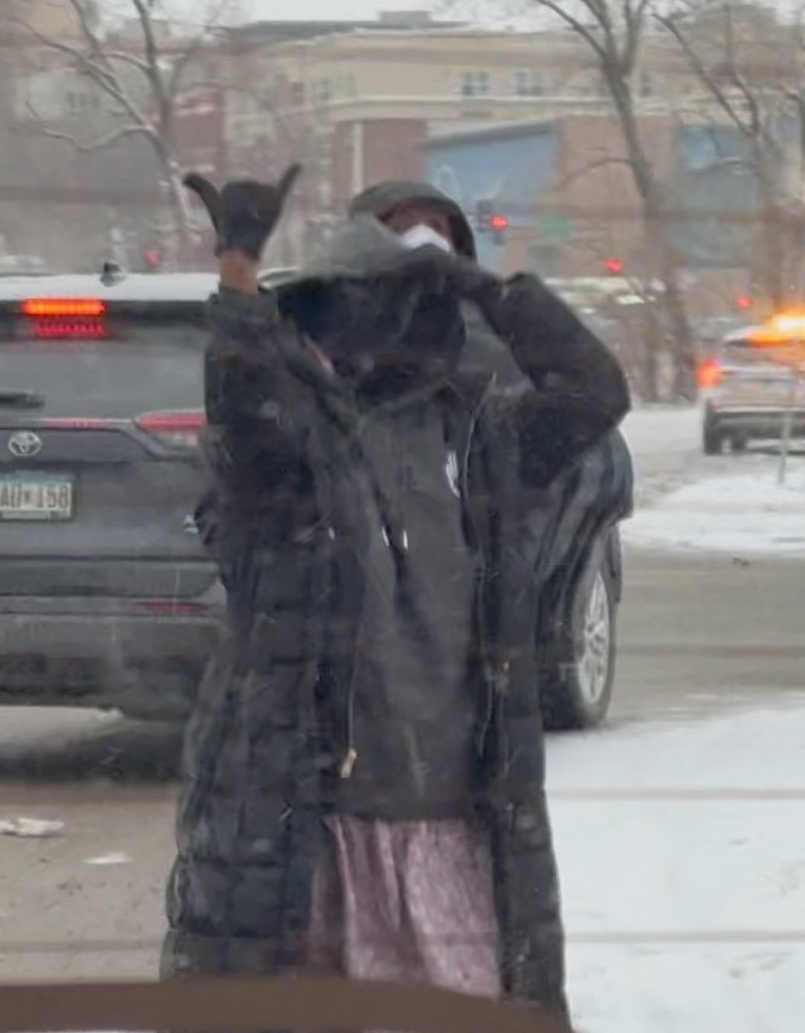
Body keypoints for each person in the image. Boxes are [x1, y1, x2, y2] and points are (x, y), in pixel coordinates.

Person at [160, 164, 632, 1023]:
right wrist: (237, 272)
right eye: (397, 244)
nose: (415, 279)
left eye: (436, 254)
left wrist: (492, 291)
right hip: (311, 833)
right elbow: (243, 414)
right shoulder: (299, 436)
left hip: (452, 822)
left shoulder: (486, 439)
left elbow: (595, 393)